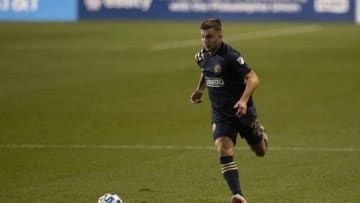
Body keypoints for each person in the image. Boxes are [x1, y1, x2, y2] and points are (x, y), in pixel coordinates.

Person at [190, 18, 268, 203]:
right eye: (202, 37)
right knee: (223, 148)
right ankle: (238, 195)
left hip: (242, 112)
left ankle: (261, 134)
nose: (205, 41)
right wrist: (200, 89)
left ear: (220, 36)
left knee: (260, 151)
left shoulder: (231, 56)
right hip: (221, 114)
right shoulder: (201, 56)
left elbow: (253, 78)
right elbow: (205, 70)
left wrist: (243, 101)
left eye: (209, 37)